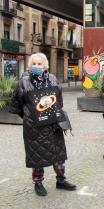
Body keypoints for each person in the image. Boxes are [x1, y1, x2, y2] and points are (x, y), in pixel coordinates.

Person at [9, 52, 76, 196]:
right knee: (37, 157)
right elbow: (16, 105)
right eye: (34, 63)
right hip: (34, 127)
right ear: (30, 65)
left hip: (53, 125)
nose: (37, 66)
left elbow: (59, 101)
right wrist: (29, 116)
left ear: (45, 65)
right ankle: (38, 183)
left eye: (39, 64)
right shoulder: (24, 82)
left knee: (58, 155)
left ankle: (61, 180)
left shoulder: (52, 79)